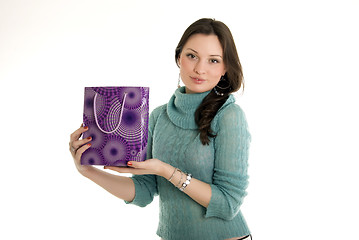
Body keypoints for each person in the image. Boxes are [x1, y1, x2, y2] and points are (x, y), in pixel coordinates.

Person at [69, 18, 252, 240]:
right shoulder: (158, 116)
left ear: (225, 68)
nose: (199, 69)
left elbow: (228, 204)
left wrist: (166, 171)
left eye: (213, 60)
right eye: (192, 56)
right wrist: (86, 170)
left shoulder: (229, 116)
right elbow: (144, 191)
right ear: (178, 58)